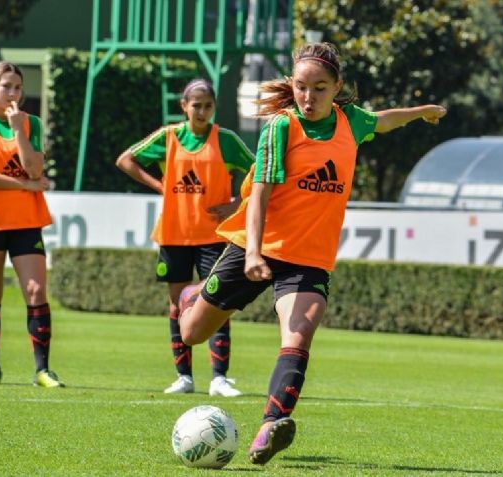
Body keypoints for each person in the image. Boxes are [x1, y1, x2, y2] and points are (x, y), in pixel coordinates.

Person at [176, 42, 447, 465]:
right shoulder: (281, 128)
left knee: (299, 333)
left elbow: (382, 121)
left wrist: (419, 112)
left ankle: (269, 426)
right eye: (301, 87)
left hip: (309, 258)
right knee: (192, 332)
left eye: (319, 88)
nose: (308, 97)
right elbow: (260, 195)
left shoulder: (350, 122)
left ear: (337, 87)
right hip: (256, 246)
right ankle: (192, 296)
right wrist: (253, 255)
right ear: (292, 86)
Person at [115, 78, 254, 397]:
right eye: (196, 105)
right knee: (178, 306)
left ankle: (219, 377)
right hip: (174, 234)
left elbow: (259, 172)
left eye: (208, 106)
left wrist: (236, 202)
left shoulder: (226, 140)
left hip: (213, 236)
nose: (202, 111)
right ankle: (184, 377)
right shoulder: (169, 137)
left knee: (217, 303)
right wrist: (159, 185)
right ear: (184, 106)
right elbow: (126, 160)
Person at [0, 61, 63, 387]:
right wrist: (24, 186)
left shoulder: (30, 123)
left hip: (26, 220)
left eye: (18, 87)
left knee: (35, 290)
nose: (13, 93)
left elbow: (34, 170)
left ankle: (42, 371)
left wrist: (18, 130)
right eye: (6, 86)